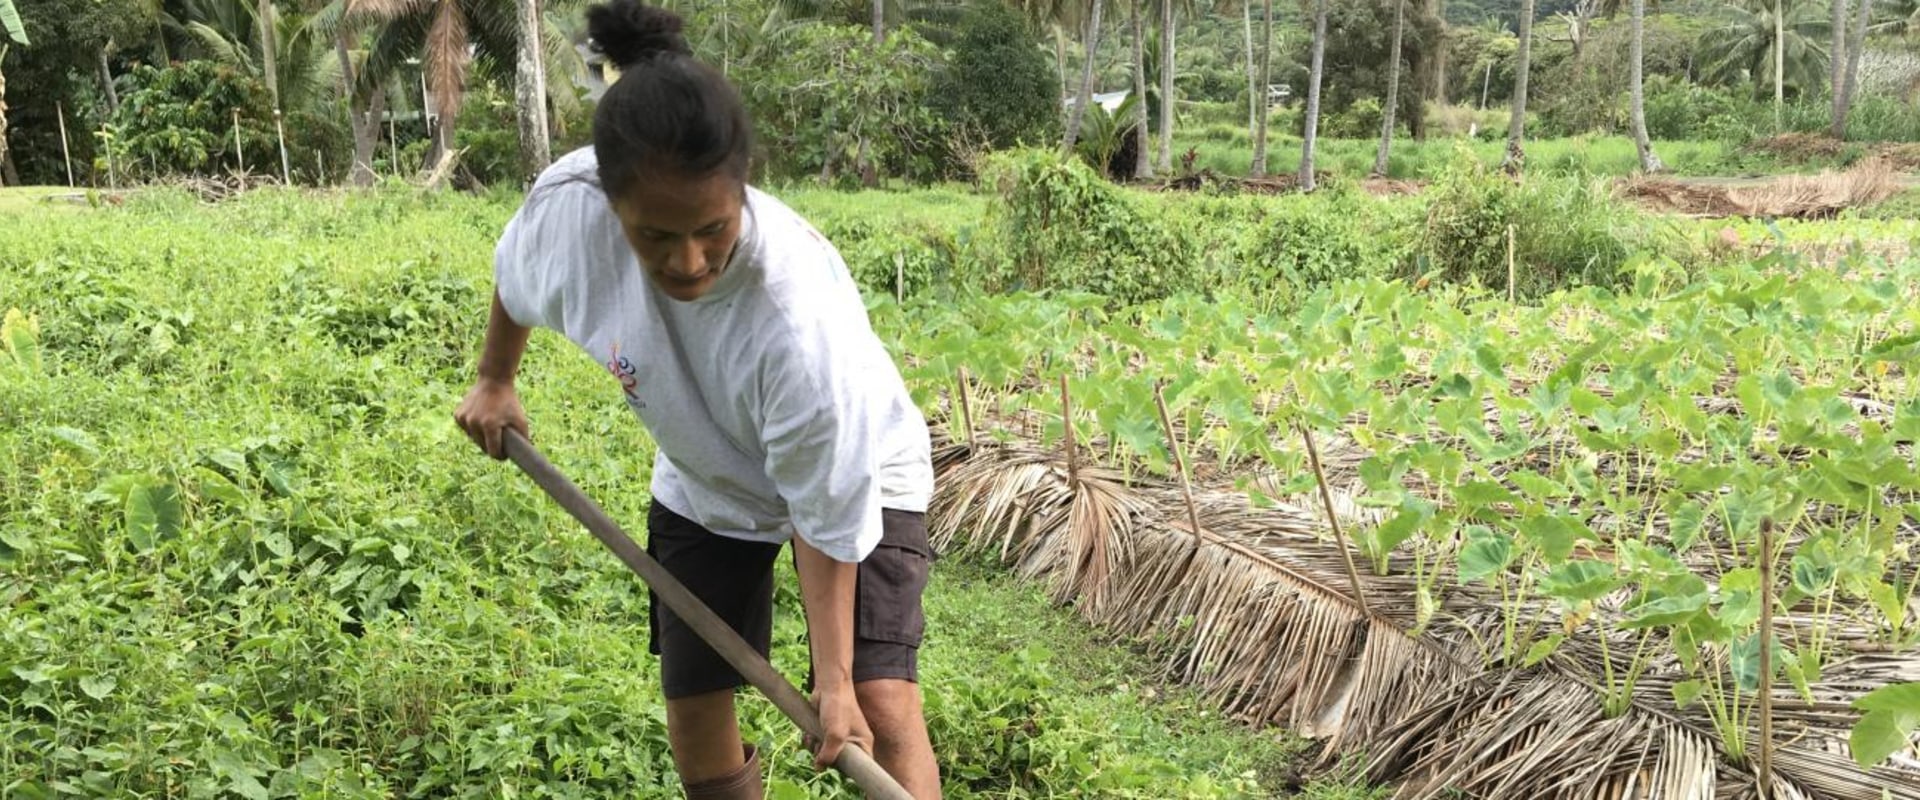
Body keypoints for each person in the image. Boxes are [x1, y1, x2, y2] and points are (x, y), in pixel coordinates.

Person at [451, 2, 941, 797]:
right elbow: (516, 279)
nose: (689, 261)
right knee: (697, 703)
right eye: (656, 236)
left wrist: (836, 679)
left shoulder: (794, 325)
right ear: (610, 206)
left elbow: (825, 514)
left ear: (742, 189)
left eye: (713, 228)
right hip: (706, 477)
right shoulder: (567, 214)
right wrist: (496, 382)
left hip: (859, 471)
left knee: (881, 706)